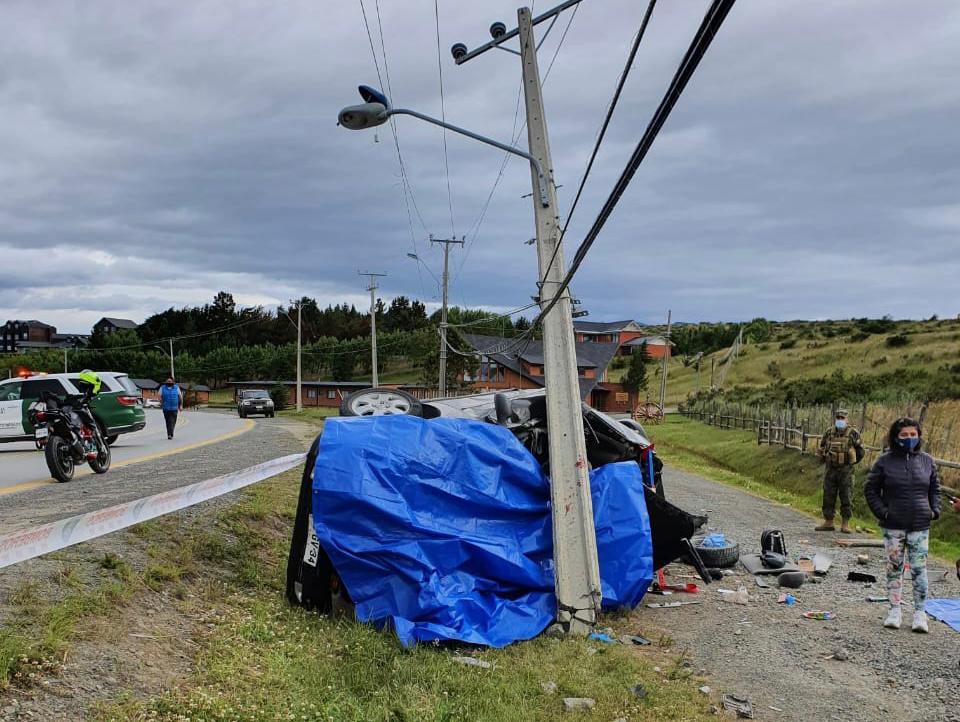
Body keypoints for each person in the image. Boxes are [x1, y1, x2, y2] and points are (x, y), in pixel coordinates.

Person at [864, 417, 940, 633]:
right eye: (904, 435)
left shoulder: (926, 461)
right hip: (893, 526)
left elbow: (935, 488)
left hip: (920, 525)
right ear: (895, 437)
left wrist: (934, 511)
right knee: (894, 569)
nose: (909, 439)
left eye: (913, 435)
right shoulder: (884, 461)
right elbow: (870, 490)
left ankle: (920, 613)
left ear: (919, 436)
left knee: (919, 570)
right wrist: (883, 512)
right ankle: (894, 610)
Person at [815, 408, 864, 533]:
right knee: (828, 495)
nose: (840, 420)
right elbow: (822, 447)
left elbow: (860, 451)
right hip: (831, 469)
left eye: (842, 418)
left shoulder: (853, 433)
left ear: (847, 419)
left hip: (846, 470)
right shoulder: (829, 432)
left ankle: (845, 523)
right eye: (838, 418)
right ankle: (828, 521)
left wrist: (850, 462)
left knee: (846, 495)